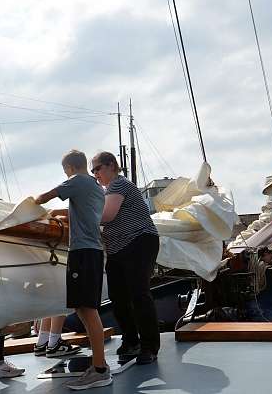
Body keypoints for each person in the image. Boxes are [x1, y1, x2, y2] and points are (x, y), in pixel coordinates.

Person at [35, 149, 111, 390]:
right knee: (83, 309)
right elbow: (82, 211)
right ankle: (98, 366)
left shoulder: (76, 181)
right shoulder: (94, 186)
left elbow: (46, 196)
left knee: (87, 310)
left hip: (83, 253)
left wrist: (30, 205)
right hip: (93, 252)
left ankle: (99, 369)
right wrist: (60, 213)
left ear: (68, 169)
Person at [91, 151, 160, 365]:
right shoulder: (107, 190)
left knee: (139, 294)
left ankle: (149, 346)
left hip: (139, 241)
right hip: (118, 248)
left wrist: (78, 217)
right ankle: (131, 341)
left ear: (111, 165)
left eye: (97, 169)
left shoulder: (118, 184)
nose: (95, 175)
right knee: (118, 297)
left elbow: (107, 215)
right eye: (92, 171)